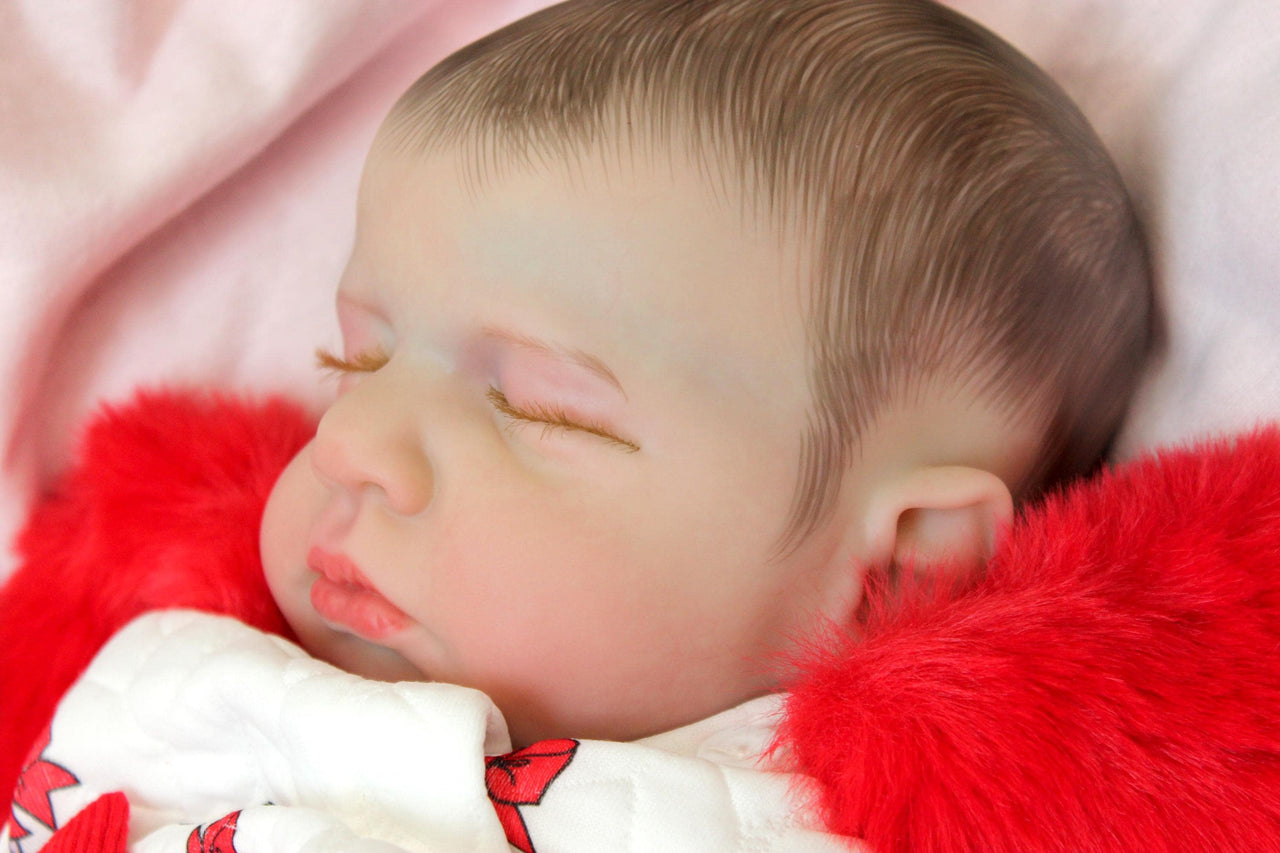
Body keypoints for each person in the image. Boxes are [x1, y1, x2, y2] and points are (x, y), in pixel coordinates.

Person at [0, 0, 1154, 845]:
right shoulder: (178, 654)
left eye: (531, 404)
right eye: (356, 359)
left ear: (897, 567)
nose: (349, 447)